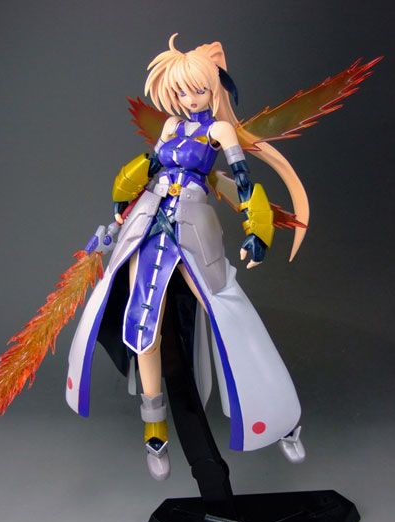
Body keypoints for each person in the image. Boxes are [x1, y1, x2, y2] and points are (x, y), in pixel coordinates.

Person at [65, 34, 307, 480]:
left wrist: (257, 231)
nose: (189, 98)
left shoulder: (219, 131)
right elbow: (147, 170)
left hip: (192, 229)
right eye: (180, 91)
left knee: (227, 312)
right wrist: (121, 203)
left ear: (213, 87)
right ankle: (154, 429)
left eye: (197, 89)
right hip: (147, 225)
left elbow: (244, 183)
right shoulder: (171, 127)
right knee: (143, 329)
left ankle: (279, 416)